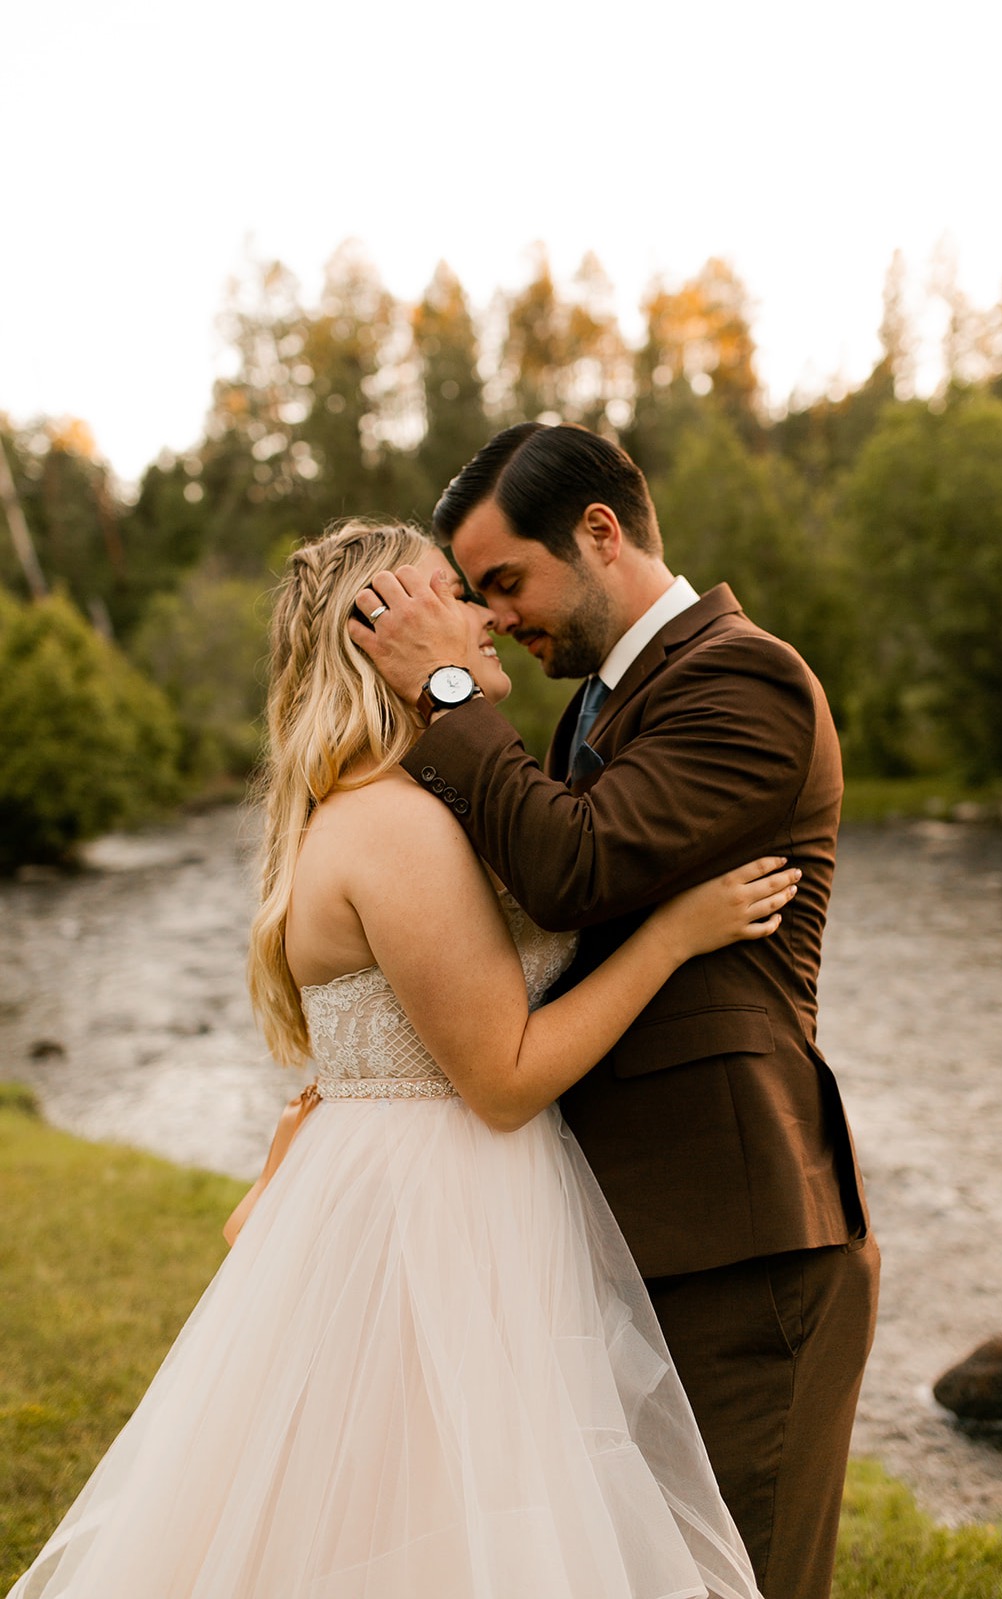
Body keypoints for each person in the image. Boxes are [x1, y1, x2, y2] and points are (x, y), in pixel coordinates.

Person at [7, 518, 803, 1599]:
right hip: (431, 1211)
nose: (479, 615)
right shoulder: (392, 825)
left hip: (443, 1193)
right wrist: (673, 934)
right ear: (372, 638)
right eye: (443, 596)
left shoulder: (409, 803)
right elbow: (505, 1079)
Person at [351, 424, 880, 1599]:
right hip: (619, 1234)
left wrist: (441, 689)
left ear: (597, 533)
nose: (489, 619)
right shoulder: (594, 705)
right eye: (473, 597)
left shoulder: (741, 677)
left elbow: (572, 868)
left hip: (742, 1241)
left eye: (503, 583)